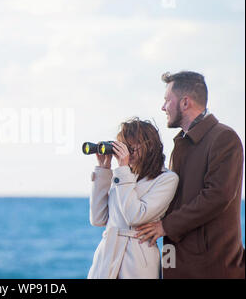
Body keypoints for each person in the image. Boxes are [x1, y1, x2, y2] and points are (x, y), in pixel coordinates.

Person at [135, 71, 245, 279]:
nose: (163, 107)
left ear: (185, 103)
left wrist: (165, 226)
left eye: (167, 100)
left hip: (211, 268)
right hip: (178, 262)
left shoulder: (224, 138)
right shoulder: (181, 143)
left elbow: (217, 196)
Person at [87, 118, 179, 279]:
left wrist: (122, 170)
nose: (127, 153)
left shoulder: (166, 179)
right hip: (107, 258)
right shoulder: (124, 176)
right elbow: (98, 219)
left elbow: (135, 216)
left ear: (149, 146)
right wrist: (103, 171)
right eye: (123, 146)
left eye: (131, 147)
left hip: (137, 261)